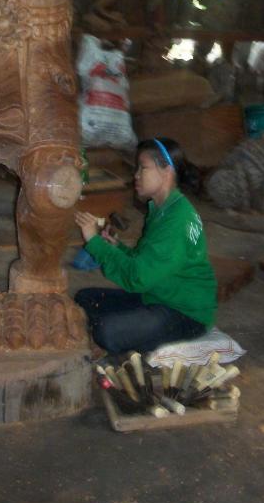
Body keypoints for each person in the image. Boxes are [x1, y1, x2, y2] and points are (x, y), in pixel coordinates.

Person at [74, 137, 217, 354]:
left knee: (105, 330)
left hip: (185, 314)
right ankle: (130, 335)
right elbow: (146, 260)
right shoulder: (162, 209)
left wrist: (94, 242)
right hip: (157, 295)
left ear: (167, 172)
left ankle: (128, 338)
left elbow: (137, 278)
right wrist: (117, 247)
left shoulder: (178, 219)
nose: (136, 175)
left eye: (143, 168)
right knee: (86, 298)